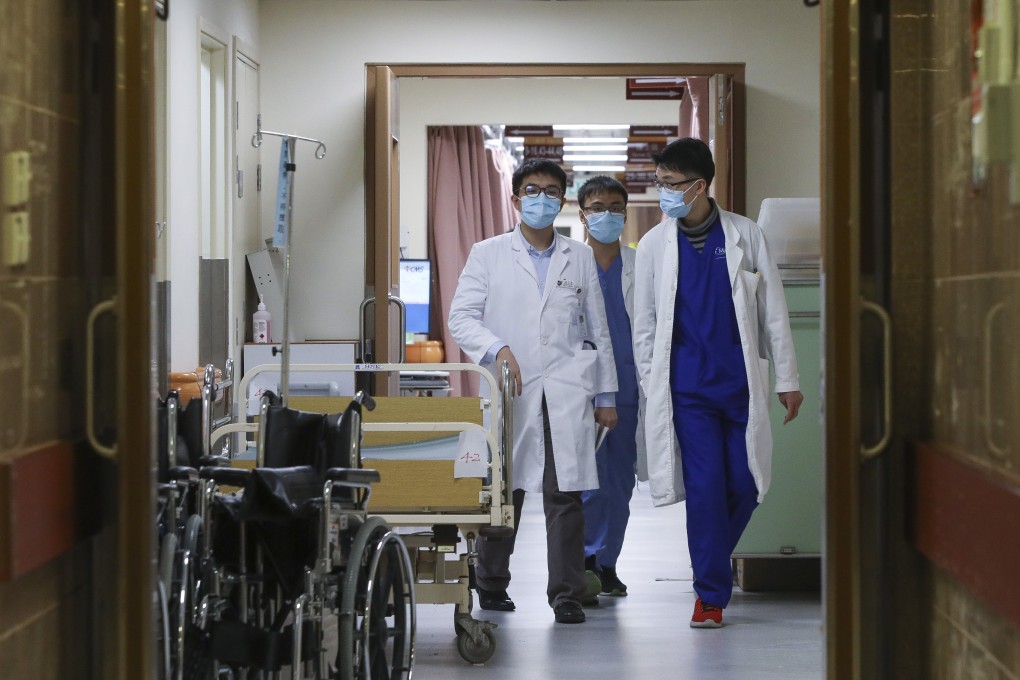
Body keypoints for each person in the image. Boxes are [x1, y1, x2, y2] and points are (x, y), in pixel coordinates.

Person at [632, 138, 803, 628]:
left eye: (669, 184)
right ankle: (709, 594)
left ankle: (708, 560)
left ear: (699, 186)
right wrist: (652, 383)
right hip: (686, 388)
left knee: (747, 485)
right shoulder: (653, 246)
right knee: (705, 487)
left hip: (740, 381)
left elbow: (773, 310)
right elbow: (644, 324)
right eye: (659, 182)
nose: (662, 193)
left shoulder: (746, 235)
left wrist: (788, 377)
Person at [448, 159, 618, 625]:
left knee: (565, 493)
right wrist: (496, 347)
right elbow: (461, 317)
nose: (540, 198)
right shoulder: (488, 253)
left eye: (550, 191)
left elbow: (598, 330)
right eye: (531, 190)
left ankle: (565, 592)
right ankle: (491, 582)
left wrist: (606, 398)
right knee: (507, 490)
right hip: (512, 392)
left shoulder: (578, 256)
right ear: (516, 198)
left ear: (561, 200)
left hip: (566, 389)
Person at [576, 175, 645, 599]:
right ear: (582, 215)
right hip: (579, 390)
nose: (607, 215)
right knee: (582, 480)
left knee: (618, 484)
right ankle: (580, 560)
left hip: (628, 390)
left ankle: (607, 563)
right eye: (598, 207)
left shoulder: (639, 265)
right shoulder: (570, 264)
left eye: (616, 207)